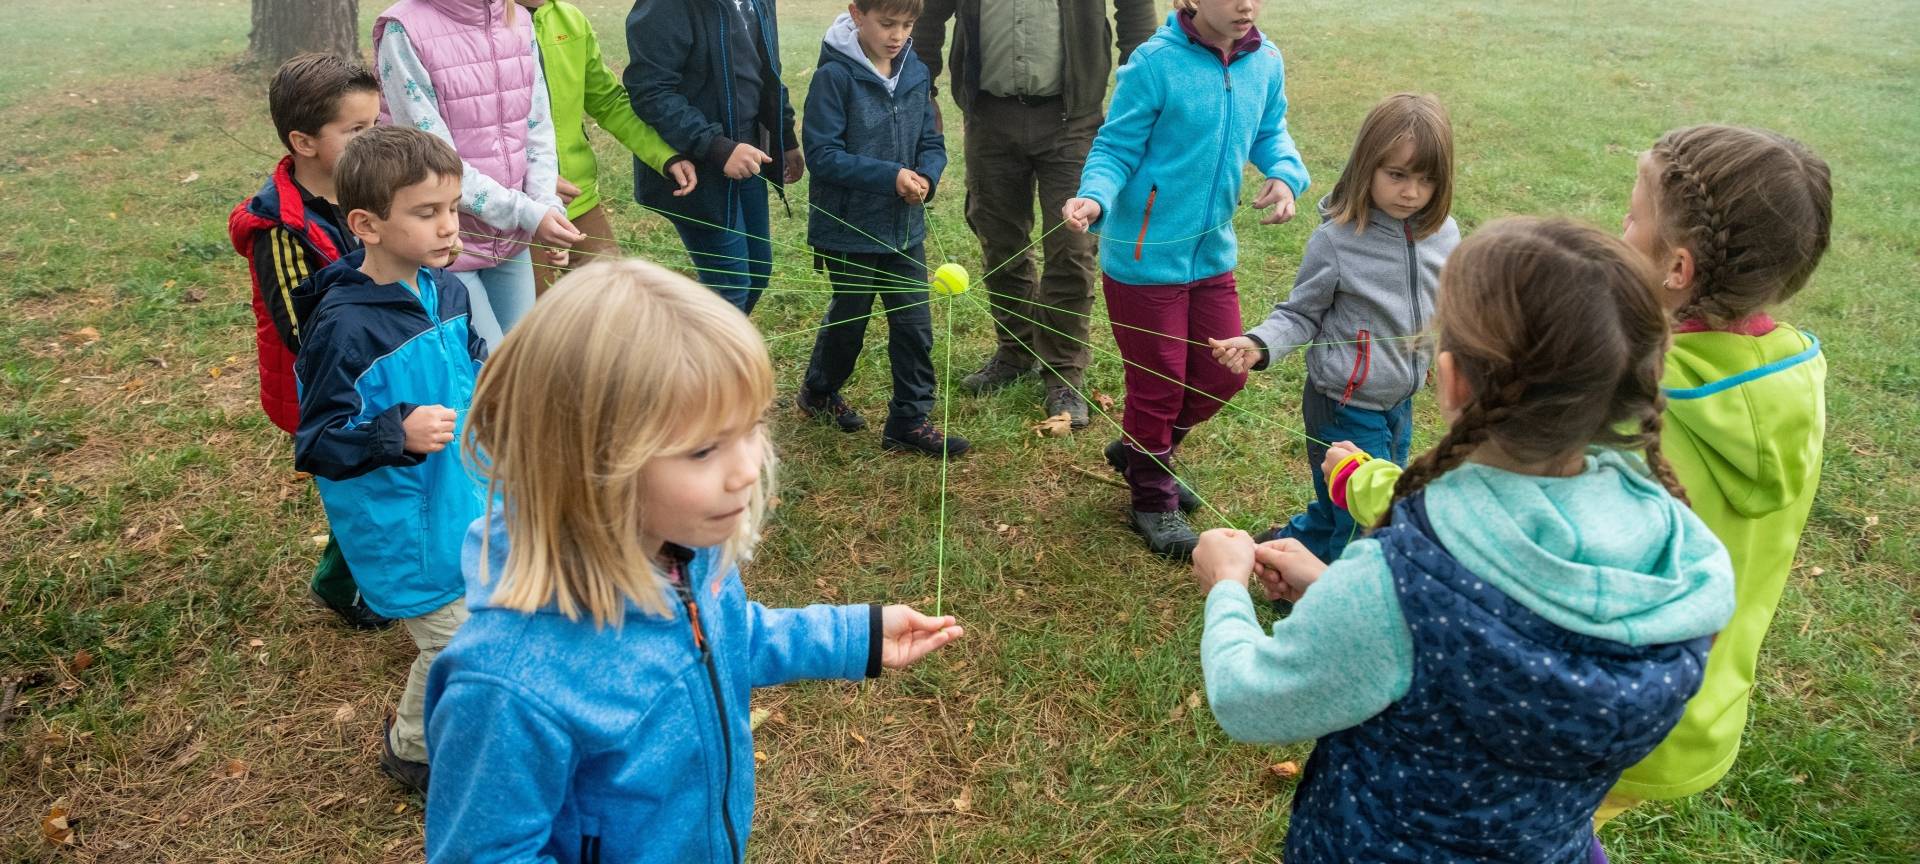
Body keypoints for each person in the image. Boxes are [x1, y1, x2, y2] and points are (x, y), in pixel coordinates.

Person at [1192, 218, 1734, 861]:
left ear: (1449, 383)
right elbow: (1493, 641)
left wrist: (1226, 587)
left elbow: (1251, 699)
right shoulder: (1685, 561)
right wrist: (1338, 590)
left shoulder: (1402, 583)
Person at [421, 259, 963, 863]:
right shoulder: (508, 685)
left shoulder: (681, 551)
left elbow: (727, 635)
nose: (748, 468)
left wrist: (853, 635)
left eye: (752, 426)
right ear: (588, 462)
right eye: (703, 449)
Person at [1061, 0, 1308, 559]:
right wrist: (1095, 196)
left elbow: (1271, 131)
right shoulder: (1153, 64)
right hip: (1143, 260)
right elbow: (1115, 147)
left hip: (1212, 257)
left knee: (1225, 374)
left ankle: (1144, 450)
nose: (1246, 6)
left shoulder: (1265, 60)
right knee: (1161, 384)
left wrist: (1285, 175)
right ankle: (1152, 498)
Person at [292, 127, 489, 793]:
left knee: (476, 623)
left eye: (454, 208)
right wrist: (392, 434)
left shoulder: (446, 290)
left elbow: (471, 360)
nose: (448, 227)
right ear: (367, 225)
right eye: (426, 212)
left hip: (457, 501)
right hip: (400, 524)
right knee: (452, 644)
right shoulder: (345, 327)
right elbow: (317, 441)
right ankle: (412, 751)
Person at [1208, 93, 1459, 566]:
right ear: (1367, 166)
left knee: (1363, 496)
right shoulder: (1337, 241)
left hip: (1399, 401)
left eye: (1426, 180)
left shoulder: (1445, 234)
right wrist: (1260, 344)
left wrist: (1440, 350)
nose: (1411, 192)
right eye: (1397, 175)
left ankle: (1290, 545)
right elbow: (1301, 313)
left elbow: (1443, 304)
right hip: (1343, 403)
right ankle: (1317, 587)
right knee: (1362, 513)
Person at [913, 0, 1157, 426]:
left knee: (1072, 244)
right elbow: (931, 13)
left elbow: (1135, 10)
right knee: (999, 238)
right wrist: (922, 90)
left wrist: (1144, 89)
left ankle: (1064, 371)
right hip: (988, 114)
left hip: (1073, 117)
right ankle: (1015, 350)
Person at [227, 54, 390, 630]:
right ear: (304, 141)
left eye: (377, 124)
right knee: (360, 484)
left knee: (385, 471)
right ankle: (342, 585)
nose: (374, 140)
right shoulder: (282, 229)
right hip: (323, 390)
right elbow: (306, 331)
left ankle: (365, 568)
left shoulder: (368, 190)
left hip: (377, 369)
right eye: (357, 131)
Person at [794, 0, 968, 457]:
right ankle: (819, 391)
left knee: (914, 325)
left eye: (907, 25)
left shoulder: (916, 71)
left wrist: (927, 176)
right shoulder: (834, 78)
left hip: (904, 229)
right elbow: (823, 156)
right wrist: (888, 176)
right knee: (850, 319)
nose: (897, 35)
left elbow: (932, 140)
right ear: (857, 14)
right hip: (850, 227)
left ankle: (909, 420)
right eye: (887, 23)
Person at [372, 0, 585, 347]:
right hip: (442, 243)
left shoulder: (515, 18)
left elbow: (537, 127)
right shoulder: (404, 28)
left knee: (520, 359)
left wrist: (547, 207)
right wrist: (529, 212)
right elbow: (432, 160)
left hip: (510, 241)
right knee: (487, 370)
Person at [624, 0, 804, 314]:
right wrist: (716, 147)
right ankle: (698, 359)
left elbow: (768, 71)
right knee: (730, 286)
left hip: (748, 156)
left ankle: (705, 354)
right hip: (699, 165)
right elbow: (650, 90)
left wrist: (784, 136)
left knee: (758, 271)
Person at [515, 0, 697, 295]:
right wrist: (530, 179)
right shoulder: (479, 28)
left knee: (613, 302)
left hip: (578, 198)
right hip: (515, 210)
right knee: (538, 323)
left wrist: (664, 154)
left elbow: (608, 101)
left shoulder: (569, 20)